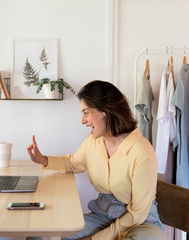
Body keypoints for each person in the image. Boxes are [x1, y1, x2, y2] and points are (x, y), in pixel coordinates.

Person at [27, 80, 165, 240]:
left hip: (141, 222)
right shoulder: (93, 142)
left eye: (86, 112)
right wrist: (42, 159)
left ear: (105, 111)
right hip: (103, 215)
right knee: (42, 233)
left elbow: (138, 213)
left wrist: (95, 239)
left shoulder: (142, 150)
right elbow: (72, 163)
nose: (82, 120)